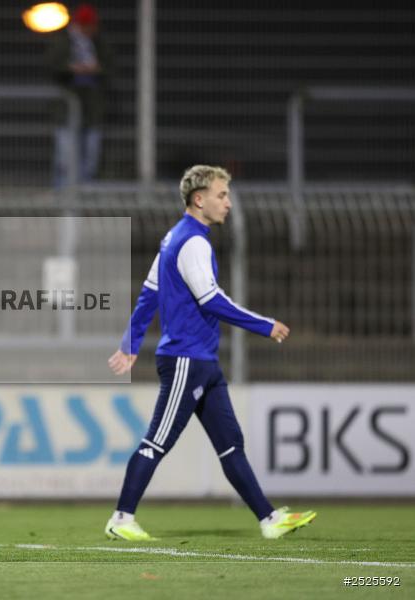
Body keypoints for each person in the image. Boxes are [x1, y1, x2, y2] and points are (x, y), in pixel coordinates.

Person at [105, 165, 316, 541]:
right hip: (186, 358)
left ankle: (269, 520)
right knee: (158, 441)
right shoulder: (193, 242)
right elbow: (210, 299)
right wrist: (263, 325)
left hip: (203, 361)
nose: (229, 204)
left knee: (231, 444)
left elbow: (149, 293)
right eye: (222, 195)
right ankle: (121, 518)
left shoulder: (173, 239)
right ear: (199, 199)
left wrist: (132, 344)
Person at [45, 3, 112, 187]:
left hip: (92, 109)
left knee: (90, 157)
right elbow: (52, 65)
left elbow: (110, 67)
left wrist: (96, 69)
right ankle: (63, 198)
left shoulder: (99, 43)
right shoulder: (63, 41)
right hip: (67, 110)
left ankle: (85, 197)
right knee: (65, 158)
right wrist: (71, 69)